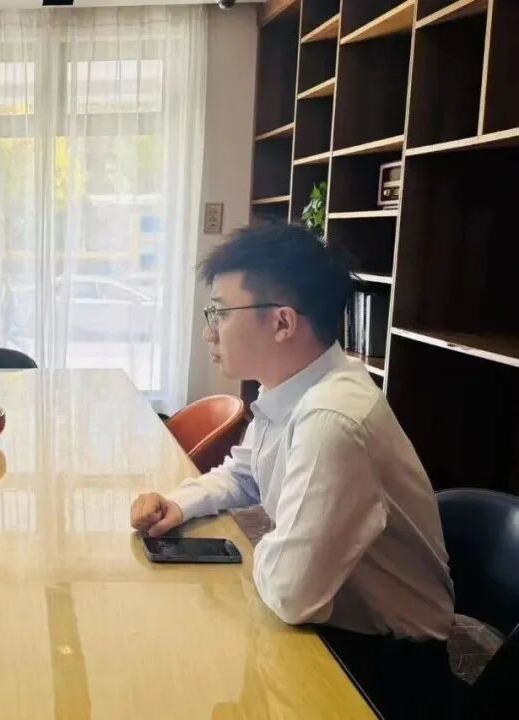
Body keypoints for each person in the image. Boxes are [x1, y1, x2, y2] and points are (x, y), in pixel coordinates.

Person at [129, 223, 456, 718]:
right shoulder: (290, 388)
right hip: (332, 623)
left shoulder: (332, 420)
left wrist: (261, 544)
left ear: (282, 323)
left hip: (384, 669)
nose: (209, 331)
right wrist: (179, 503)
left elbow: (290, 592)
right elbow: (244, 474)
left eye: (220, 312)